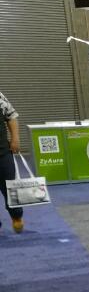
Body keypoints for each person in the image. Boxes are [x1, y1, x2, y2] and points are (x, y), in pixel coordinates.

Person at [0, 91, 24, 233]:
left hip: (2, 152)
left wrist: (15, 138)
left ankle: (16, 216)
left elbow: (11, 116)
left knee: (10, 187)